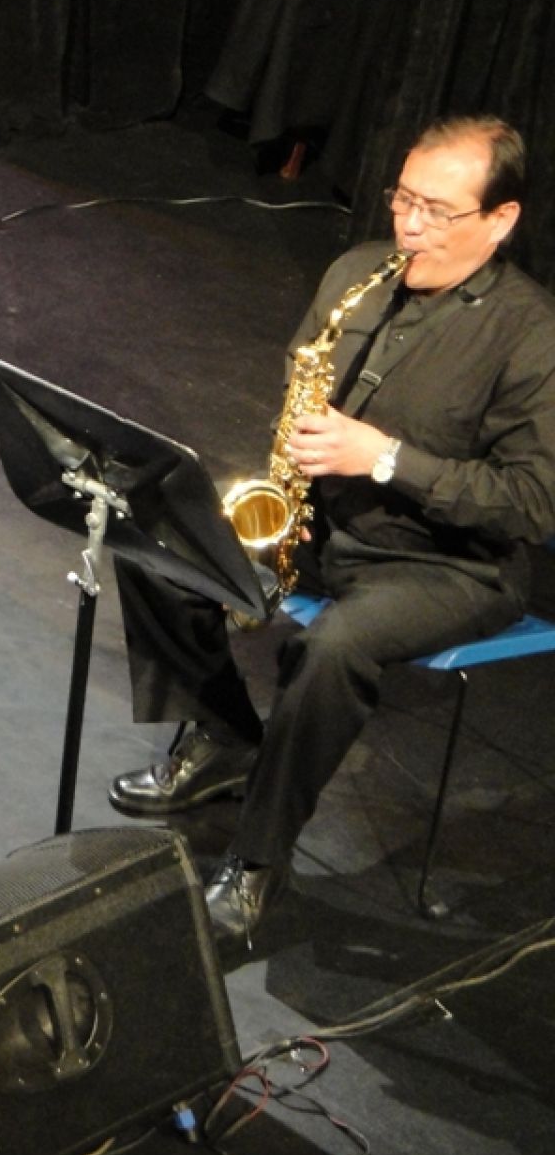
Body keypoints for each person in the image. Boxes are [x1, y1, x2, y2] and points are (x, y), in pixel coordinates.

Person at [108, 116, 555, 946]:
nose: (410, 227)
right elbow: (301, 373)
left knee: (333, 648)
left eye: (438, 212)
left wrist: (383, 458)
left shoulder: (533, 335)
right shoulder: (359, 273)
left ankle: (259, 857)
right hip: (321, 524)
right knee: (158, 538)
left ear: (502, 219)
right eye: (403, 200)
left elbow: (532, 502)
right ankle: (224, 738)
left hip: (446, 564)